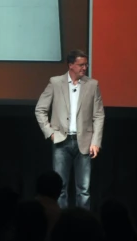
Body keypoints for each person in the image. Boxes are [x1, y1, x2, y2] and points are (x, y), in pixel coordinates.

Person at [35, 49, 105, 209]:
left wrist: (96, 142)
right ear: (71, 65)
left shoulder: (92, 85)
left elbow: (99, 115)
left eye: (86, 65)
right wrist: (50, 132)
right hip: (61, 142)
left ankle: (82, 224)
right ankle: (60, 223)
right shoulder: (55, 82)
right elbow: (40, 109)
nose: (84, 68)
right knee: (60, 189)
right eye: (81, 65)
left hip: (85, 143)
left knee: (84, 190)